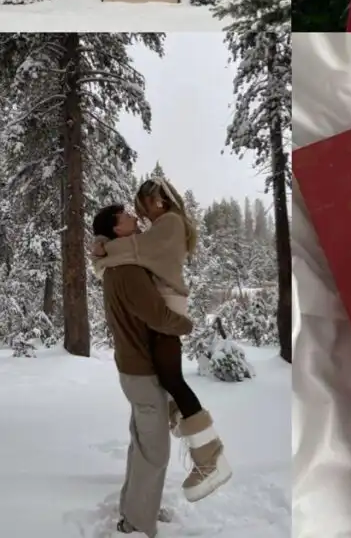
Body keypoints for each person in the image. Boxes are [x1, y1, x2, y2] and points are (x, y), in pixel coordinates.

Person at [92, 178, 232, 509]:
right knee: (167, 380)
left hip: (169, 308)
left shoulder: (169, 224)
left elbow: (132, 250)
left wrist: (102, 251)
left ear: (162, 200)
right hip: (166, 309)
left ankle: (210, 457)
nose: (139, 210)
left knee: (171, 379)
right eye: (137, 206)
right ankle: (199, 449)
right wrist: (104, 247)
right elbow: (132, 250)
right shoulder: (158, 228)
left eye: (145, 202)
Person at [91, 209, 193, 537]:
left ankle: (136, 507)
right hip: (142, 371)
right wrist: (186, 324)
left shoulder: (115, 266)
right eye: (125, 216)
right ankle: (136, 522)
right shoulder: (128, 271)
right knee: (155, 451)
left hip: (134, 370)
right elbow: (158, 316)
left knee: (142, 444)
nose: (133, 216)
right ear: (116, 230)